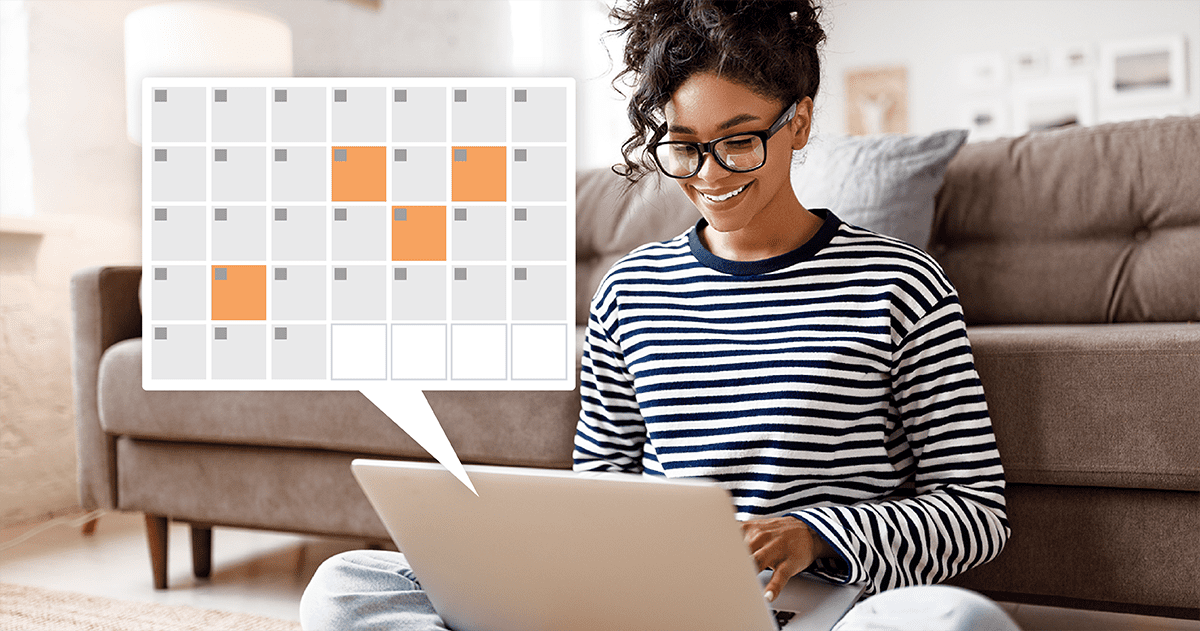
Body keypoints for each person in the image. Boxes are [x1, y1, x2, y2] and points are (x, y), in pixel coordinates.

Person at [300, 1, 1015, 629]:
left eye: (739, 140)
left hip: (824, 604)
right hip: (650, 608)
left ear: (798, 123)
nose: (709, 175)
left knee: (956, 620)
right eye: (683, 145)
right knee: (346, 587)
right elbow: (601, 488)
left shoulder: (900, 283)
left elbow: (976, 510)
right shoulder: (627, 292)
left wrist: (811, 532)